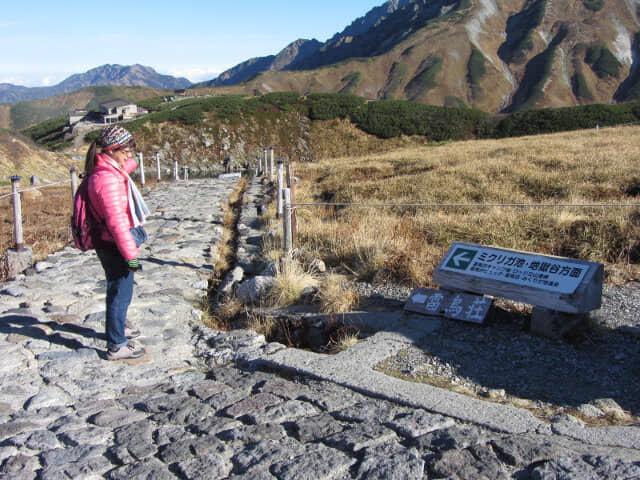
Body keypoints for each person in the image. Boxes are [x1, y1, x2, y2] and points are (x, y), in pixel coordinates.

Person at [85, 125, 150, 360]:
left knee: (120, 290)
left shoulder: (109, 170)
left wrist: (129, 161)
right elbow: (117, 224)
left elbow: (130, 165)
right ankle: (116, 345)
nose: (130, 157)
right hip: (113, 244)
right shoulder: (107, 180)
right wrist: (131, 257)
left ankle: (118, 329)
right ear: (112, 150)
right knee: (120, 292)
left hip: (108, 243)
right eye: (126, 151)